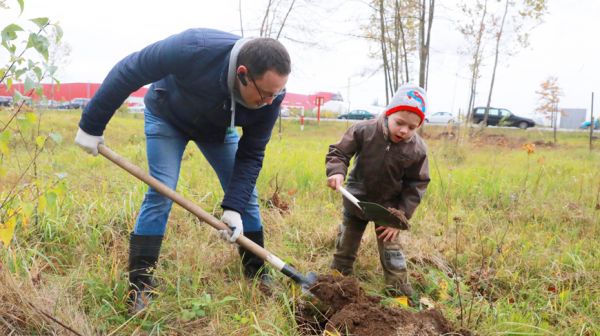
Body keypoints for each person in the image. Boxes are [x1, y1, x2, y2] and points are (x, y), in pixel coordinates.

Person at [74, 28, 291, 312]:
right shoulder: (195, 47)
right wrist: (91, 125)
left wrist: (233, 207)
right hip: (167, 117)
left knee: (246, 199)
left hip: (216, 129)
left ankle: (256, 274)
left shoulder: (271, 97)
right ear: (242, 74)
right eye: (265, 94)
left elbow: (252, 154)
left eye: (276, 95)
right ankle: (140, 286)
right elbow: (132, 68)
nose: (270, 102)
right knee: (161, 192)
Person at [325, 84, 430, 300]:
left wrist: (400, 216)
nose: (404, 130)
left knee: (392, 252)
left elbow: (416, 185)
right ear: (388, 113)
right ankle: (338, 283)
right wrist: (336, 172)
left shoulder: (417, 150)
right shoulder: (364, 130)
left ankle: (398, 291)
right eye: (399, 123)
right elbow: (339, 152)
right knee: (345, 245)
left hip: (389, 210)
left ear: (419, 125)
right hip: (356, 200)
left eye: (412, 127)